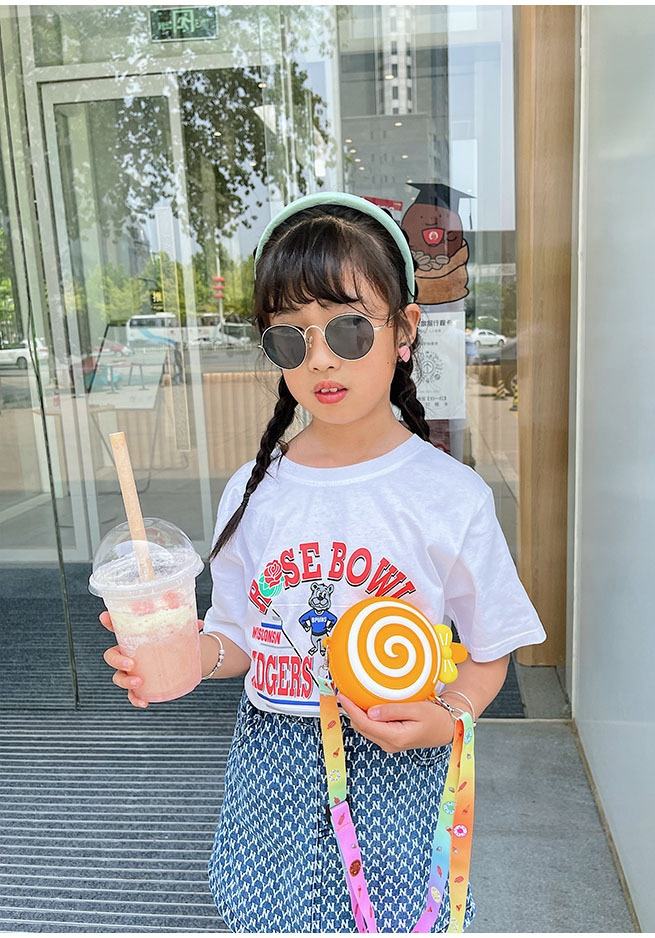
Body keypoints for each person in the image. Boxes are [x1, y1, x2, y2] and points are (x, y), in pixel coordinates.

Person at [100, 191, 547, 933]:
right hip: (272, 763)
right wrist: (181, 654)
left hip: (395, 760)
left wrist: (449, 717)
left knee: (392, 916)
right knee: (271, 916)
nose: (320, 358)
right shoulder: (253, 492)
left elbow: (492, 647)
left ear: (405, 330)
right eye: (290, 337)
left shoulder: (450, 496)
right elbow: (237, 638)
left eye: (348, 327)